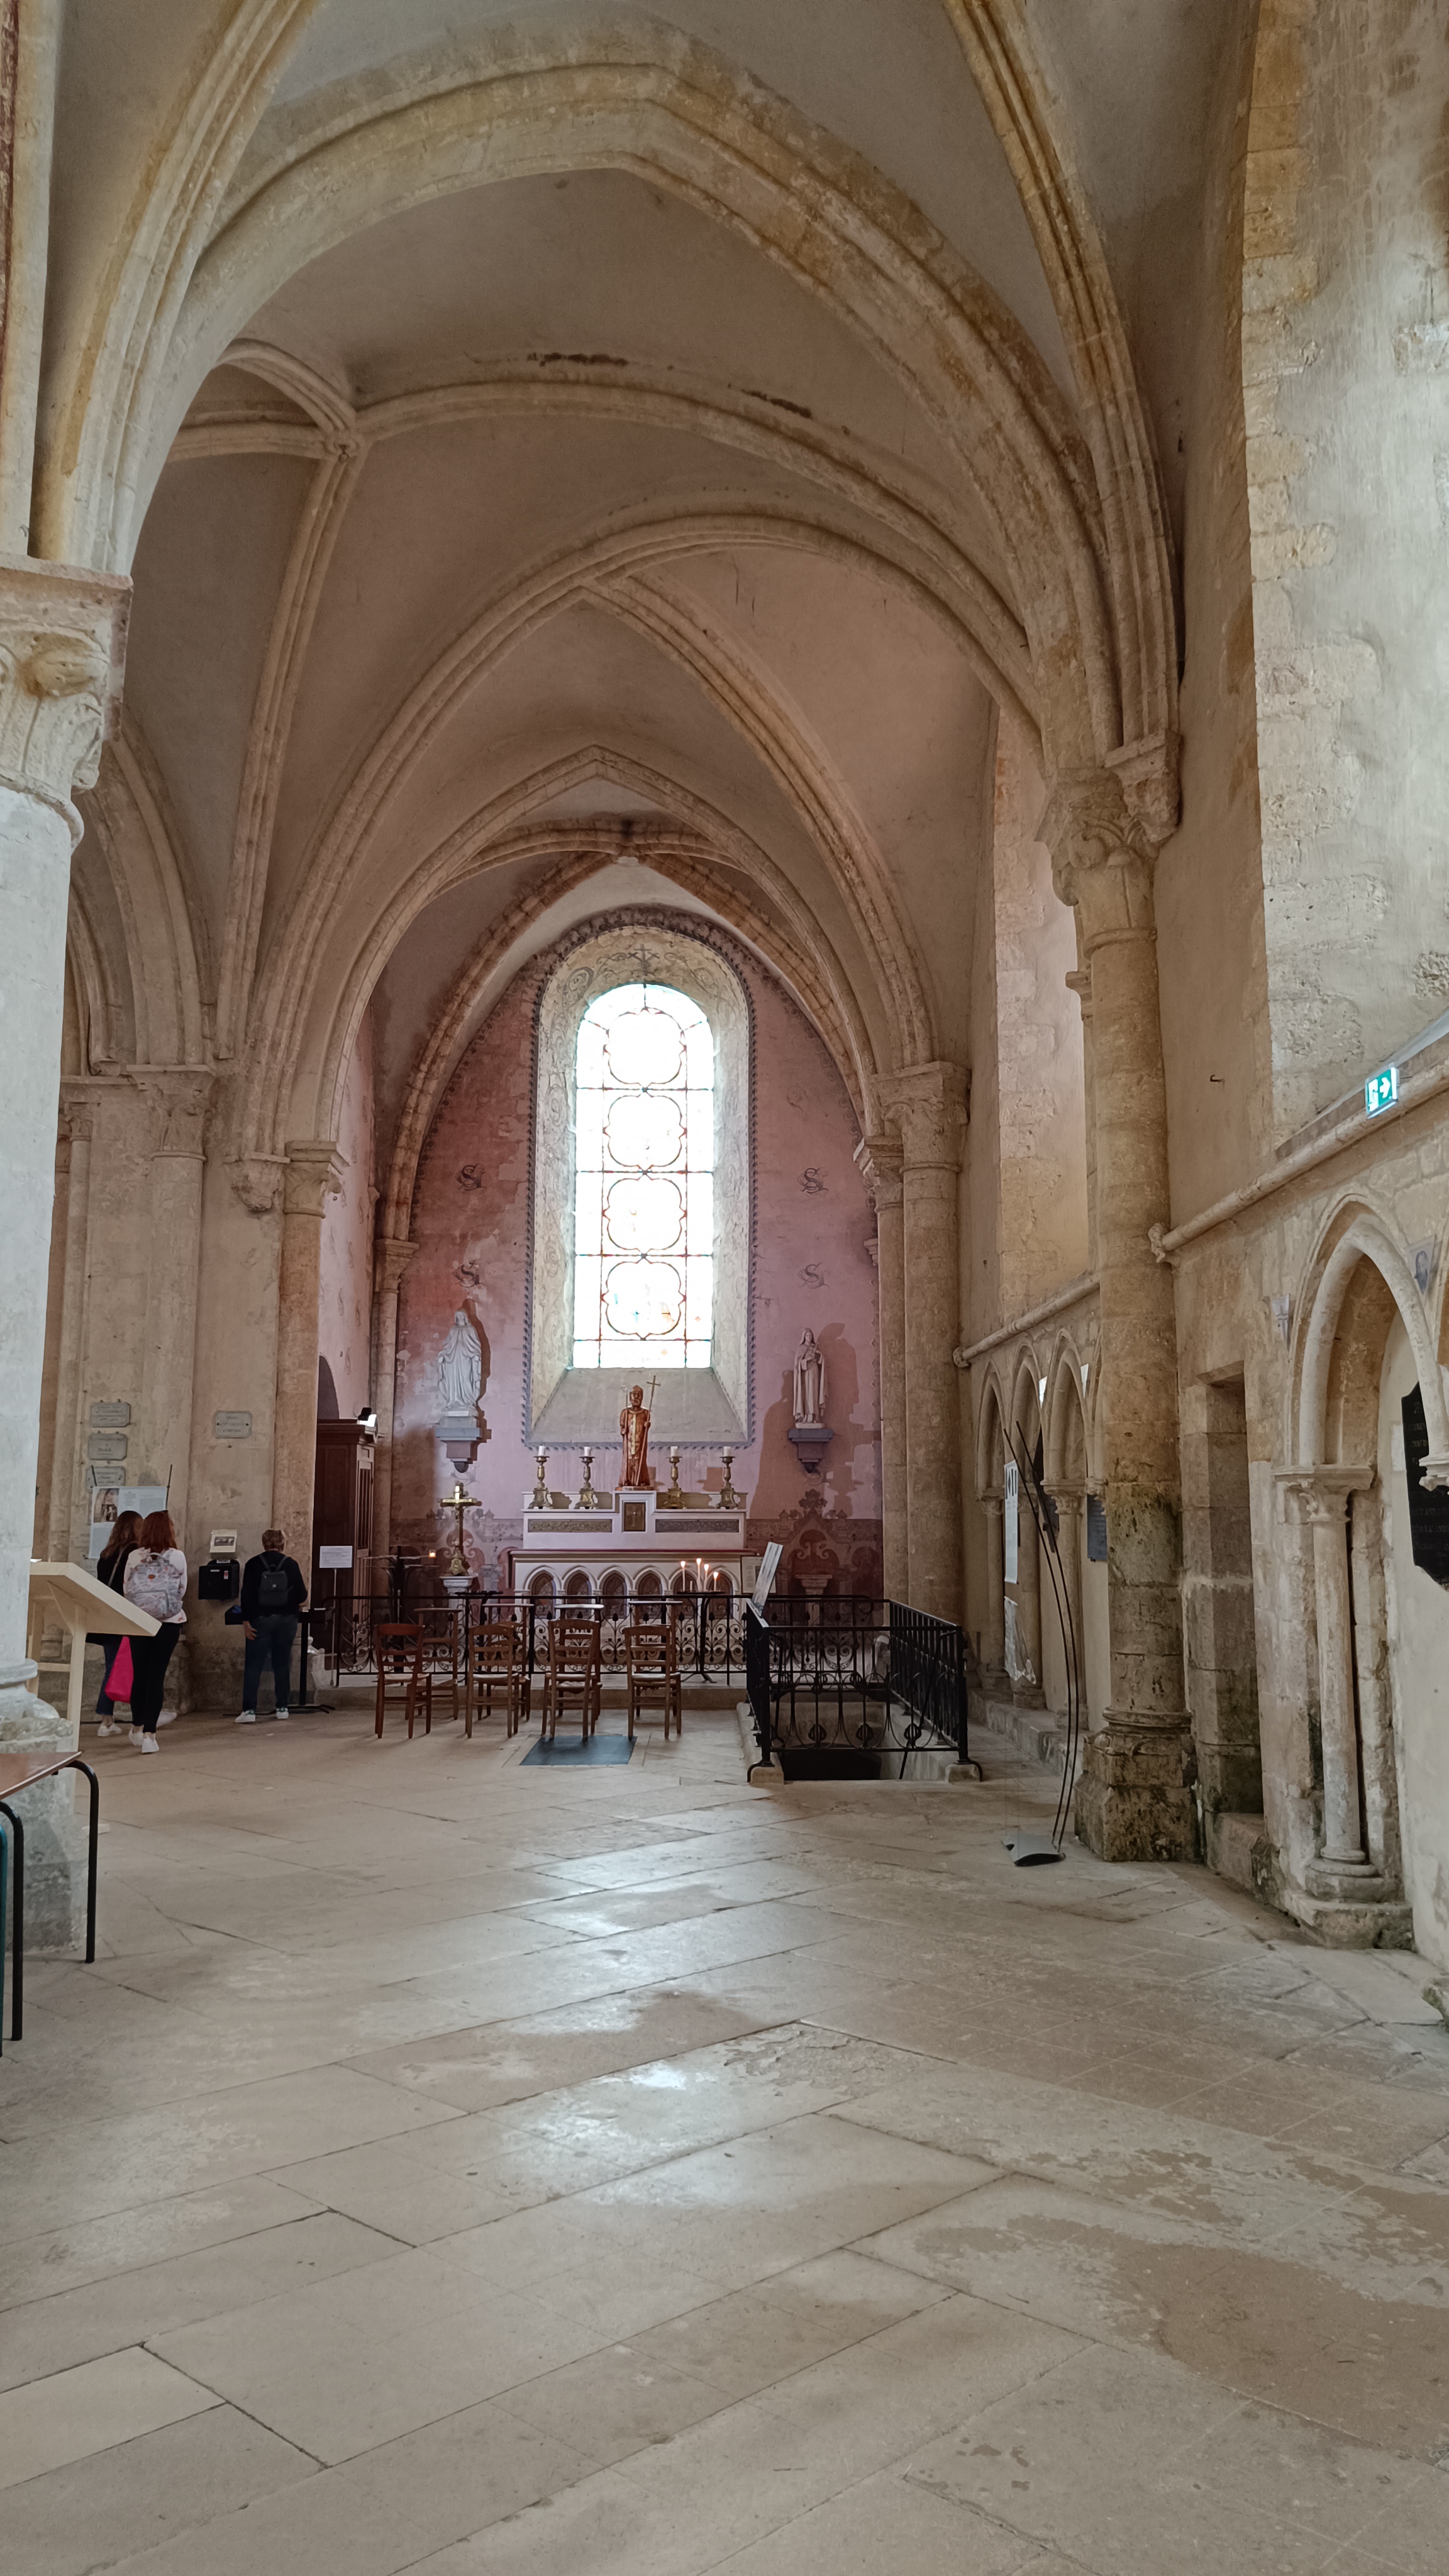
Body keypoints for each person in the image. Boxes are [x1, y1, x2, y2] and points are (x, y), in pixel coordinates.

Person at [123, 1512, 189, 1753]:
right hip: (168, 1623)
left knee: (139, 1676)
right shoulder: (177, 1557)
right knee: (155, 1678)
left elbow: (127, 1589)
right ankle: (150, 1737)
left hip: (139, 1623)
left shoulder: (134, 1556)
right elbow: (182, 1589)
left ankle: (137, 1728)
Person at [238, 1530, 308, 1724]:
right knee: (282, 1663)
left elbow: (246, 1595)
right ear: (282, 1544)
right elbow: (302, 1595)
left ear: (264, 1543)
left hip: (260, 1620)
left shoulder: (253, 1564)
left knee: (254, 1665)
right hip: (287, 1620)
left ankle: (249, 1711)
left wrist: (246, 1621)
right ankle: (282, 1708)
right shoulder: (291, 1564)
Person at [92, 1509, 143, 1734]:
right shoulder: (136, 1553)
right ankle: (137, 1718)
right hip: (126, 1613)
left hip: (107, 1614)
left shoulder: (106, 1554)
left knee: (112, 1666)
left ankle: (107, 1718)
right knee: (130, 1666)